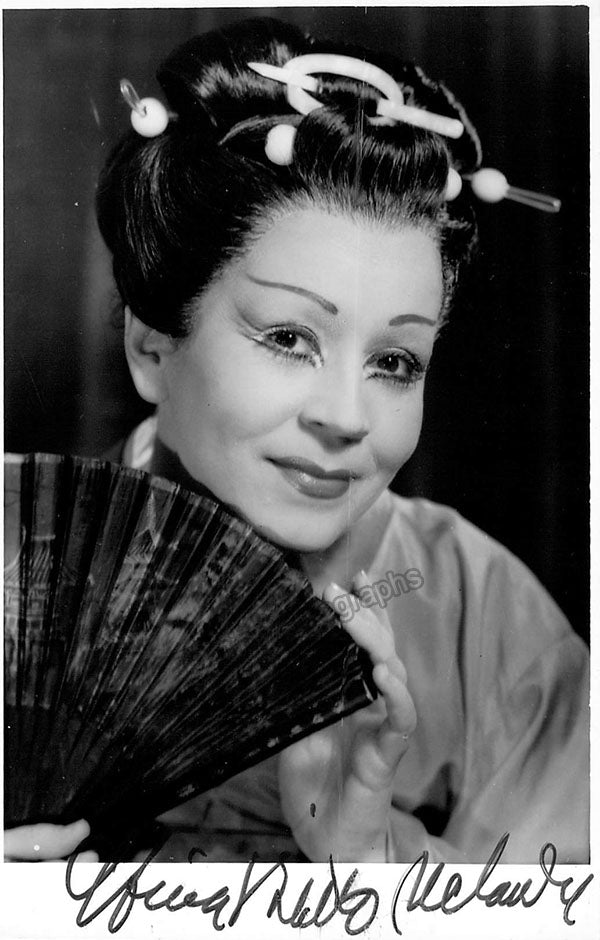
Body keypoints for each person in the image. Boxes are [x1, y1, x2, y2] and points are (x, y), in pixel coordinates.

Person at [4, 17, 589, 864]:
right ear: (151, 346)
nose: (346, 416)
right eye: (288, 338)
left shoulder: (487, 618)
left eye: (395, 361)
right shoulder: (13, 553)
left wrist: (368, 852)